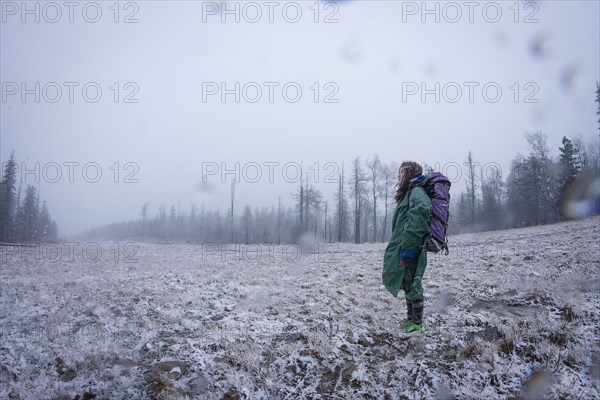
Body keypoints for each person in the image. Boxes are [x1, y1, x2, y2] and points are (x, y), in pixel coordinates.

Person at [382, 161, 432, 334]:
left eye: (401, 173)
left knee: (413, 282)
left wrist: (409, 249)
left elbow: (419, 219)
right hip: (404, 245)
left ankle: (417, 322)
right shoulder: (409, 192)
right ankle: (410, 318)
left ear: (410, 174)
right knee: (406, 282)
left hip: (412, 246)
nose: (399, 176)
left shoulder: (417, 192)